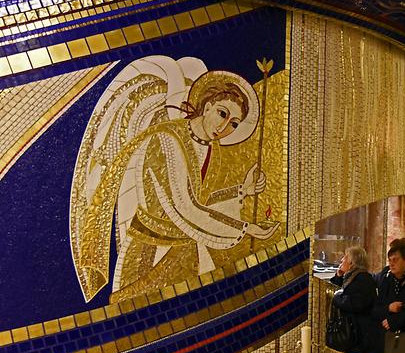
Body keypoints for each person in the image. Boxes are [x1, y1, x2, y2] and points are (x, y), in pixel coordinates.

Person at [70, 56, 278, 304]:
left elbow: (202, 201)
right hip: (149, 252)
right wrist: (246, 229)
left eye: (233, 123)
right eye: (222, 114)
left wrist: (241, 191)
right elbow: (184, 206)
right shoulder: (168, 139)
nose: (224, 127)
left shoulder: (212, 150)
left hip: (186, 251)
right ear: (208, 105)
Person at [330, 246, 379, 353]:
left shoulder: (363, 279)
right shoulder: (352, 278)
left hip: (361, 336)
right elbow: (337, 287)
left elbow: (357, 303)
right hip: (358, 334)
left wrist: (337, 298)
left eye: (345, 258)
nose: (342, 260)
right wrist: (338, 276)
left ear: (352, 261)